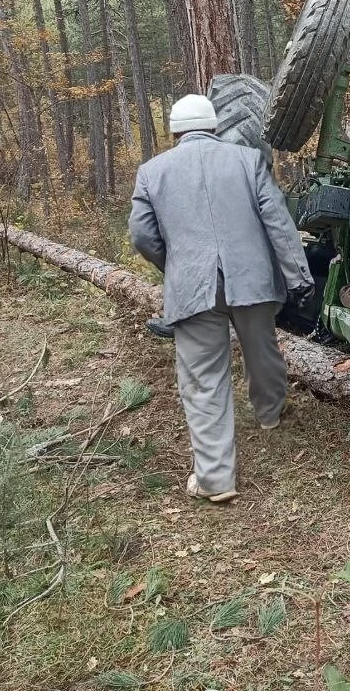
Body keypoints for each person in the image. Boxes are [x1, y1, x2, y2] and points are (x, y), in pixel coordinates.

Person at [129, 94, 313, 503]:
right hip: (253, 281)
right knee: (262, 349)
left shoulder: (151, 172)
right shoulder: (248, 160)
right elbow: (278, 223)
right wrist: (298, 276)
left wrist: (175, 264)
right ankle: (269, 414)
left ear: (176, 130)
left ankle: (215, 480)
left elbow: (142, 235)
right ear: (214, 125)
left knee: (203, 377)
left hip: (194, 288)